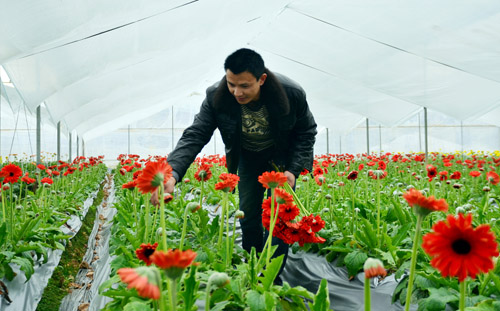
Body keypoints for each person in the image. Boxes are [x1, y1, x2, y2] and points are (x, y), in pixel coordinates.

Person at [153, 48, 317, 281]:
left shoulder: (291, 93)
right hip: (248, 158)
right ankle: (253, 264)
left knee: (280, 217)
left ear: (262, 79)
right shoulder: (216, 97)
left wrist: (293, 169)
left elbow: (306, 132)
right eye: (231, 84)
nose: (236, 92)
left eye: (245, 86)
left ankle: (271, 275)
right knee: (248, 213)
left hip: (281, 161)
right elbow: (195, 135)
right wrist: (172, 174)